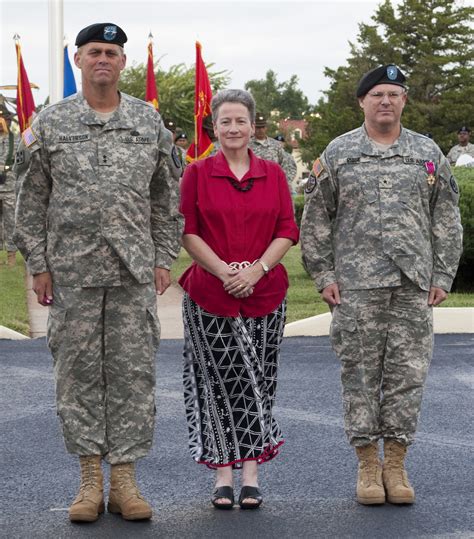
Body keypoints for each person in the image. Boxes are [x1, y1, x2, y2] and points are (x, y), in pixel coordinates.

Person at [14, 23, 183, 523]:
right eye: (94, 52)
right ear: (79, 60)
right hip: (72, 272)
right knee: (78, 375)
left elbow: (165, 198)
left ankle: (126, 482)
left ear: (123, 62)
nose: (103, 59)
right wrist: (39, 266)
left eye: (111, 52)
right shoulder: (50, 123)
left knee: (132, 374)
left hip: (132, 271)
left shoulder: (148, 123)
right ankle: (89, 480)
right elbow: (32, 200)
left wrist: (161, 258)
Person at [300, 65, 462, 506]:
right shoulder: (339, 153)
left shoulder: (426, 153)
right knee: (360, 375)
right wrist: (324, 275)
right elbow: (316, 219)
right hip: (356, 286)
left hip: (413, 286)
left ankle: (397, 463)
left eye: (393, 94)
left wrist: (443, 273)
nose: (385, 101)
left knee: (408, 376)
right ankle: (368, 465)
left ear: (404, 100)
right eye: (377, 95)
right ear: (363, 102)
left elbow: (446, 217)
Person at [179, 89, 299, 510]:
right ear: (215, 126)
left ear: (252, 126)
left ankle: (251, 475)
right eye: (225, 121)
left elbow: (287, 229)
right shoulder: (196, 173)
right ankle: (223, 475)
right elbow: (188, 230)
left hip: (266, 292)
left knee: (259, 381)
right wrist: (225, 272)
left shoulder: (274, 174)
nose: (233, 129)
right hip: (210, 294)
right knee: (218, 383)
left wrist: (256, 270)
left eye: (240, 121)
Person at [249, 113, 297, 190]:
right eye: (258, 127)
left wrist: (284, 183)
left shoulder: (276, 145)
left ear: (266, 128)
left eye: (263, 127)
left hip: (273, 186)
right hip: (254, 187)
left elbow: (286, 165)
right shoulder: (247, 146)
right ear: (253, 128)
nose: (260, 130)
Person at [0, 107, 17, 265]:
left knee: (11, 221)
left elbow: (22, 162)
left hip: (10, 187)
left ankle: (11, 256)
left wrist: (7, 168)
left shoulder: (15, 139)